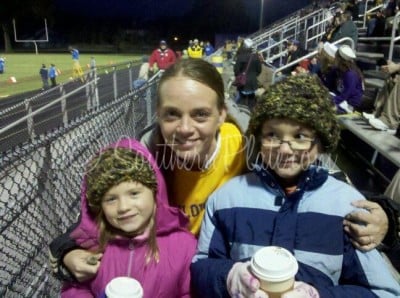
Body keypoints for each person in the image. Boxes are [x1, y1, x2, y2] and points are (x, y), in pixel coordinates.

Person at [191, 74, 400, 298]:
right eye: (272, 135)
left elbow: (384, 291)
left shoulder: (346, 206)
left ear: (320, 142)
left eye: (300, 136)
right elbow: (202, 266)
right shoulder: (226, 199)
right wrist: (230, 277)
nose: (284, 149)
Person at [49, 58, 247, 282]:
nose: (185, 129)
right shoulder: (147, 156)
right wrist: (67, 251)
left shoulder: (243, 143)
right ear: (158, 114)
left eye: (200, 114)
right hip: (169, 271)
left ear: (221, 114)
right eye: (172, 114)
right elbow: (97, 216)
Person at [61, 138, 197, 297]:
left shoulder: (184, 245)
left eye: (134, 194)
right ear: (99, 206)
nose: (123, 207)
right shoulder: (90, 245)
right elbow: (75, 289)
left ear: (155, 193)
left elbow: (190, 292)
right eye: (111, 199)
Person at [331, 44, 364, 113]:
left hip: (350, 105)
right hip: (342, 100)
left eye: (335, 57)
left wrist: (333, 101)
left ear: (340, 59)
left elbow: (346, 94)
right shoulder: (339, 70)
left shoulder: (350, 74)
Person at [233, 38, 262, 109]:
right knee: (252, 101)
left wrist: (239, 76)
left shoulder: (240, 57)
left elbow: (236, 70)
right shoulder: (256, 57)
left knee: (241, 101)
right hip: (253, 82)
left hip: (243, 83)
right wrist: (253, 76)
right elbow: (259, 70)